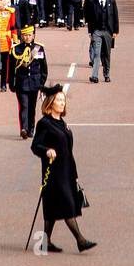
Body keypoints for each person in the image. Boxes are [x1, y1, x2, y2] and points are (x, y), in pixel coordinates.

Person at [30, 84, 96, 253]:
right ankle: (80, 240)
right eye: (59, 100)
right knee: (67, 205)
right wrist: (47, 151)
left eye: (63, 100)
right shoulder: (44, 123)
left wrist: (74, 173)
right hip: (53, 173)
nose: (62, 103)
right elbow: (36, 145)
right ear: (51, 102)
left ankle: (45, 242)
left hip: (66, 171)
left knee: (52, 208)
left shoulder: (62, 123)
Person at [10, 22, 48, 138]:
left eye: (29, 35)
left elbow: (44, 68)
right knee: (24, 106)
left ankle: (31, 128)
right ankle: (24, 129)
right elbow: (11, 68)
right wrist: (11, 82)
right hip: (21, 83)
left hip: (35, 83)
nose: (27, 37)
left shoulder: (38, 48)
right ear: (22, 36)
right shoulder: (16, 49)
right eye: (25, 35)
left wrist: (41, 83)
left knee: (31, 107)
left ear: (33, 35)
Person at [84, 0, 119, 84]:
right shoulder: (92, 2)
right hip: (97, 31)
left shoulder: (111, 1)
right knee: (96, 54)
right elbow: (89, 18)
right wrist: (90, 31)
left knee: (107, 54)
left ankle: (106, 74)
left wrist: (115, 31)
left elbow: (115, 17)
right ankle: (94, 76)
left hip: (108, 31)